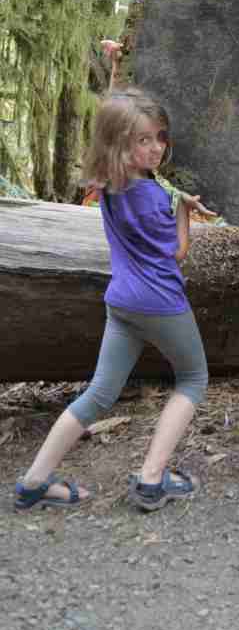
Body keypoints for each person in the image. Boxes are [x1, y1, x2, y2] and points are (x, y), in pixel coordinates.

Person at [14, 79, 214, 513]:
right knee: (193, 379)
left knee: (100, 394)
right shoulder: (149, 199)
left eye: (160, 137)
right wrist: (183, 212)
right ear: (120, 145)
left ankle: (33, 483)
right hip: (161, 302)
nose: (157, 148)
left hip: (121, 302)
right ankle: (151, 479)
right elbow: (177, 254)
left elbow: (118, 130)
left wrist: (113, 67)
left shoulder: (107, 182)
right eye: (144, 140)